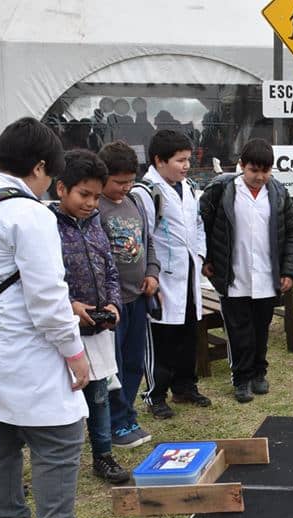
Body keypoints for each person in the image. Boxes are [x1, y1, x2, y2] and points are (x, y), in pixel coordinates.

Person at [0, 117, 121, 518]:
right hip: (25, 349)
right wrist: (75, 354)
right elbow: (48, 298)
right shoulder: (28, 214)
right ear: (39, 167)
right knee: (60, 438)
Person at [51, 150, 131, 484]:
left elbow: (110, 269)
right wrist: (71, 306)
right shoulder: (46, 227)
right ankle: (58, 463)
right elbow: (44, 283)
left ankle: (103, 455)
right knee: (64, 399)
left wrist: (113, 304)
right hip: (65, 330)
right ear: (60, 189)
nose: (91, 203)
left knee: (99, 395)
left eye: (96, 197)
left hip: (98, 328)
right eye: (84, 194)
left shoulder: (96, 224)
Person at [200, 139, 293, 403]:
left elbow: (292, 233)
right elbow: (204, 226)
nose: (260, 177)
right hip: (234, 274)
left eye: (266, 171)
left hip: (268, 274)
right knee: (238, 330)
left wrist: (289, 271)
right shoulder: (222, 189)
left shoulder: (278, 193)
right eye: (254, 170)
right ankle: (241, 378)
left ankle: (259, 372)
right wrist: (208, 258)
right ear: (241, 165)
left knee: (261, 327)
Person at [134, 129, 211, 418]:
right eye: (180, 160)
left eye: (188, 160)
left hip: (189, 272)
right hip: (162, 276)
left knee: (188, 332)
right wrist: (150, 272)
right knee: (163, 335)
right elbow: (143, 236)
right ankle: (156, 393)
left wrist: (200, 254)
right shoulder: (146, 192)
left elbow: (198, 224)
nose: (186, 166)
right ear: (159, 160)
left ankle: (185, 386)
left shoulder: (189, 187)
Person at [97, 141, 159, 449]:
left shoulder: (134, 202)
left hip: (138, 298)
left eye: (129, 181)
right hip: (113, 304)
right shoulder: (96, 208)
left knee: (135, 361)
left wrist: (152, 273)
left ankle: (127, 415)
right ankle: (114, 422)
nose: (125, 187)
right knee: (114, 367)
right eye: (118, 182)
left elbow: (149, 242)